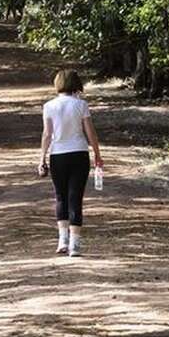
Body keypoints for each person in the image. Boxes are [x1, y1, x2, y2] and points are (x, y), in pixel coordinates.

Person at [38, 69, 103, 257]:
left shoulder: (49, 106)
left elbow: (47, 134)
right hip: (79, 154)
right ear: (76, 84)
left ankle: (62, 240)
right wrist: (97, 154)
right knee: (76, 197)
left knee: (60, 197)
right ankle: (75, 245)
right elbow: (90, 132)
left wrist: (41, 158)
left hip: (58, 155)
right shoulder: (81, 105)